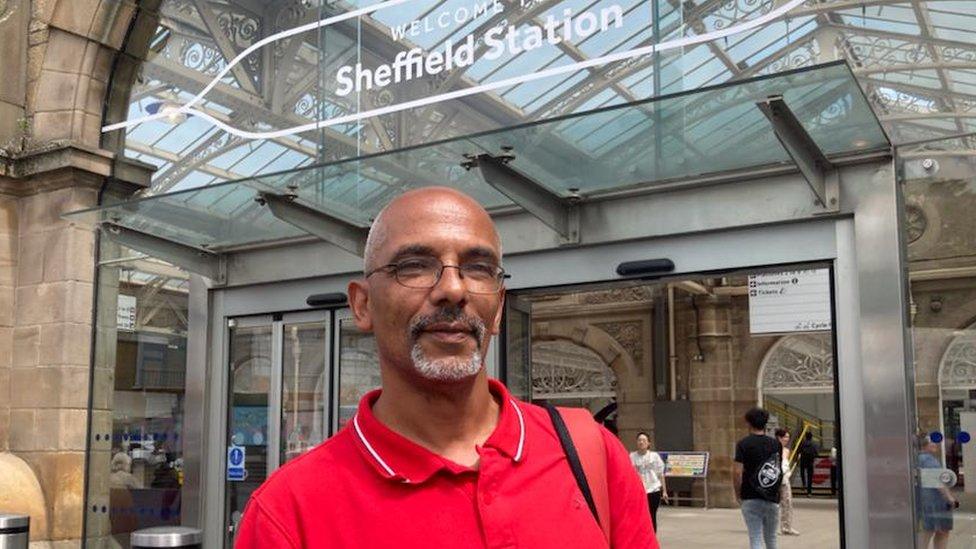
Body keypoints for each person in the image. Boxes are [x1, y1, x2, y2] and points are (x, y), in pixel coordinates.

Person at [235, 187, 657, 548]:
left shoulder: (590, 453)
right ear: (362, 305)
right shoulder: (288, 512)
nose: (453, 290)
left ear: (498, 308)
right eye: (414, 266)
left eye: (477, 268)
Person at [734, 407, 782, 549]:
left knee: (755, 538)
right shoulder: (776, 444)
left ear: (749, 423)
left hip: (750, 495)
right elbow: (778, 469)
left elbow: (737, 472)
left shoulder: (743, 444)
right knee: (772, 539)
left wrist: (738, 494)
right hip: (771, 496)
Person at [918, 435, 956, 549]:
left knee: (928, 533)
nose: (936, 445)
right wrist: (950, 498)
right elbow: (937, 481)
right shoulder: (928, 460)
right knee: (939, 532)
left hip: (925, 502)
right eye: (932, 443)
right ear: (925, 445)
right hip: (936, 503)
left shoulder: (917, 459)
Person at [630, 432, 668, 532]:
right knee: (640, 516)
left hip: (653, 489)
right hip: (639, 490)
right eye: (639, 440)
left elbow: (660, 474)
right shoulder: (632, 456)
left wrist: (664, 491)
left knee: (652, 515)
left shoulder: (654, 456)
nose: (641, 442)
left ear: (648, 443)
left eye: (644, 440)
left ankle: (652, 538)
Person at [774, 428, 799, 536]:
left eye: (788, 437)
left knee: (787, 502)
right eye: (785, 437)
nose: (787, 439)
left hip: (785, 478)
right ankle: (774, 527)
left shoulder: (786, 451)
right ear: (779, 437)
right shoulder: (772, 449)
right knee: (775, 504)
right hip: (775, 478)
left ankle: (786, 526)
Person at [798, 432, 819, 496]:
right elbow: (816, 454)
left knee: (802, 472)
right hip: (810, 462)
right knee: (810, 477)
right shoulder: (814, 444)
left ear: (805, 436)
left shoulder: (802, 443)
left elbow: (799, 451)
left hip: (803, 461)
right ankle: (809, 492)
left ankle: (804, 483)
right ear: (811, 437)